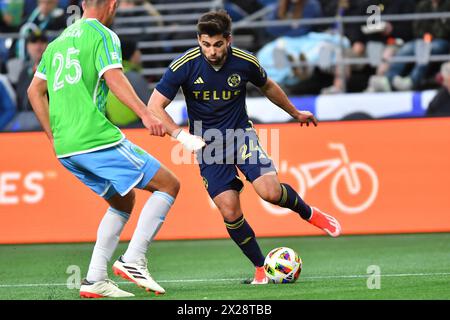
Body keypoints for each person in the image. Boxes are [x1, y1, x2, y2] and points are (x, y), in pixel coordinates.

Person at [148, 10, 342, 285]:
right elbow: (154, 106)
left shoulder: (245, 62)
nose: (211, 51)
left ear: (228, 39)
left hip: (241, 137)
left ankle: (310, 213)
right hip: (207, 146)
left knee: (270, 192)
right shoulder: (184, 66)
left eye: (217, 44)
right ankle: (261, 268)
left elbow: (269, 87)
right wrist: (181, 136)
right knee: (229, 210)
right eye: (205, 44)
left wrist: (295, 113)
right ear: (198, 40)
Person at [27, 0, 204, 298]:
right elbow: (114, 77)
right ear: (112, 4)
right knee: (168, 184)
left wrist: (51, 136)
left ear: (84, 4)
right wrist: (146, 114)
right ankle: (133, 259)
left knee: (123, 201)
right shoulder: (104, 35)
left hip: (66, 147)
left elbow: (34, 90)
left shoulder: (57, 42)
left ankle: (95, 278)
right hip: (94, 137)